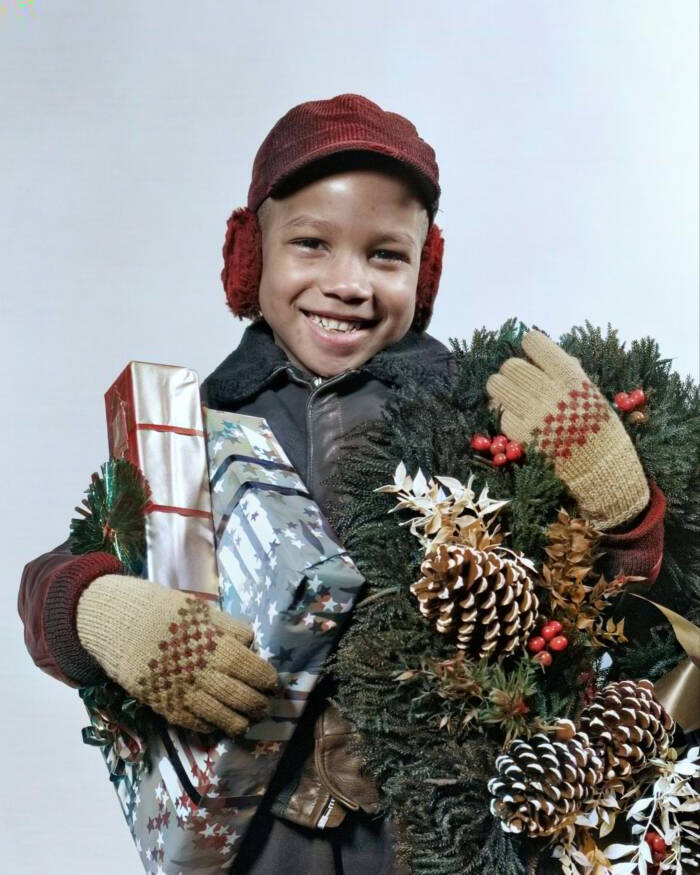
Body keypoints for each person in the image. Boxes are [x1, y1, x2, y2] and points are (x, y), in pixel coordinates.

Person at [18, 93, 667, 874]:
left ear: (424, 269)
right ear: (249, 256)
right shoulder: (190, 428)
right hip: (257, 839)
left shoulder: (484, 419)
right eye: (312, 244)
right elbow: (52, 578)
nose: (347, 283)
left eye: (385, 255)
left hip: (439, 833)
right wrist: (98, 608)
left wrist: (625, 509)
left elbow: (620, 616)